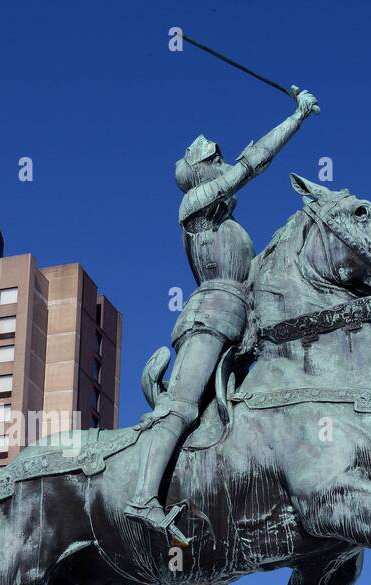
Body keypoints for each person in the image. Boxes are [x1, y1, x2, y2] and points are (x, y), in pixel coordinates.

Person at [125, 89, 321, 544]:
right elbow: (253, 163)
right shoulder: (194, 206)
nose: (225, 162)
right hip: (211, 313)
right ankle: (141, 497)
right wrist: (297, 118)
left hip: (244, 319)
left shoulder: (231, 227)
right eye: (218, 159)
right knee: (183, 404)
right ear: (203, 168)